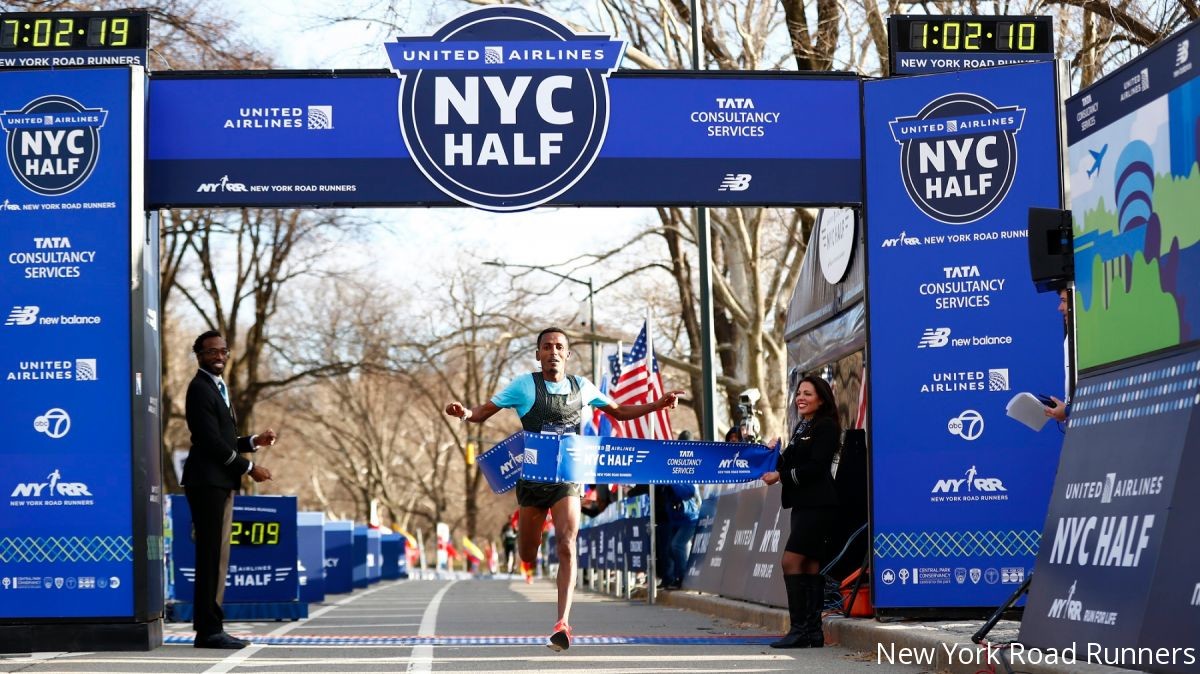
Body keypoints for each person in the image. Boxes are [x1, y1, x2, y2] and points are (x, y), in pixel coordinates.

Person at [445, 327, 683, 651]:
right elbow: (483, 412)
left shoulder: (581, 387)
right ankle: (530, 550)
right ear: (538, 354)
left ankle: (562, 623)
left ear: (568, 354)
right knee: (527, 552)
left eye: (559, 347)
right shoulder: (524, 386)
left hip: (567, 478)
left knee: (567, 544)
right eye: (547, 347)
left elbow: (619, 412)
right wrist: (465, 413)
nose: (553, 352)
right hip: (533, 482)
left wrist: (656, 405)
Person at [183, 330, 277, 649]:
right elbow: (209, 442)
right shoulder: (199, 388)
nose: (219, 356)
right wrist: (249, 469)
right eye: (212, 351)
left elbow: (225, 440)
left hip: (219, 482)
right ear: (199, 355)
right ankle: (209, 631)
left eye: (223, 351)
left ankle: (210, 626)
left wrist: (254, 442)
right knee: (211, 557)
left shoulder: (217, 387)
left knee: (217, 557)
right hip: (207, 482)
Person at [761, 374, 840, 649]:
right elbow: (789, 463)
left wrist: (781, 476)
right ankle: (812, 633)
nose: (801, 398)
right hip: (802, 504)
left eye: (807, 393)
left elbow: (816, 467)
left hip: (818, 505)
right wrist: (772, 454)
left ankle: (799, 630)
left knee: (790, 561)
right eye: (798, 393)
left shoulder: (826, 426)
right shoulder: (801, 426)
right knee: (809, 564)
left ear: (821, 399)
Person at [1044, 286, 1072, 422]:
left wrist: (1067, 410)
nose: (1060, 308)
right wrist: (1066, 409)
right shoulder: (1069, 339)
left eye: (1064, 301)